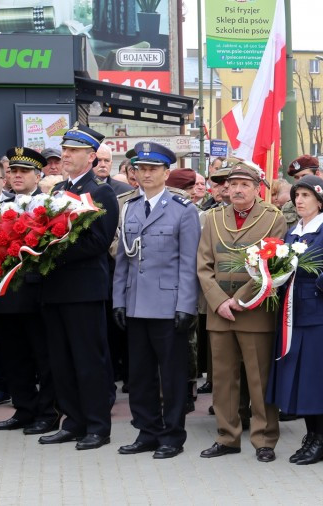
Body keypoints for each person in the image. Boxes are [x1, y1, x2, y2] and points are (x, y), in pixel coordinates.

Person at [112, 142, 200, 459]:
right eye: (141, 168)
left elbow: (189, 263)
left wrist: (186, 306)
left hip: (169, 305)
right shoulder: (130, 208)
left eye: (152, 168)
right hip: (136, 304)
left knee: (173, 376)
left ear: (166, 172)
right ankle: (146, 431)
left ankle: (172, 435)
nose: (146, 174)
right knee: (140, 374)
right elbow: (124, 259)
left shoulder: (183, 210)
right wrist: (118, 300)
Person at [196, 163, 288, 463]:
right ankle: (227, 436)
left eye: (243, 184)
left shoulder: (272, 218)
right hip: (219, 312)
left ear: (257, 187)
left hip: (254, 311)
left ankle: (264, 439)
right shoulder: (213, 217)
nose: (235, 189)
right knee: (223, 379)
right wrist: (219, 301)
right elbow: (204, 265)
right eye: (231, 183)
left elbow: (273, 263)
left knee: (259, 379)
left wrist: (239, 299)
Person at [266, 175, 323, 465]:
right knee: (300, 380)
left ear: (319, 201)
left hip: (316, 317)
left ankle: (320, 440)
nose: (300, 200)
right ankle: (311, 437)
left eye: (306, 195)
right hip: (292, 316)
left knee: (316, 380)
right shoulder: (292, 233)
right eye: (297, 195)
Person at [39, 124, 120, 450]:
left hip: (84, 291)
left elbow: (99, 242)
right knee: (61, 361)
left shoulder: (101, 193)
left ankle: (98, 427)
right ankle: (72, 421)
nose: (65, 155)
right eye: (64, 150)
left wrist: (50, 250)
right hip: (56, 289)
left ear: (90, 156)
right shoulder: (57, 191)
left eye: (72, 151)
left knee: (89, 361)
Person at [0, 148, 58, 434]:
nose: (17, 176)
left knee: (43, 356)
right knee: (13, 356)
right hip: (5, 295)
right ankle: (24, 408)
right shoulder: (0, 207)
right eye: (13, 172)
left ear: (38, 176)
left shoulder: (49, 206)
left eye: (24, 172)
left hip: (37, 293)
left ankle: (48, 412)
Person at [282, 156, 323, 229]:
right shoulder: (288, 207)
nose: (300, 180)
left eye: (304, 176)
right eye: (296, 177)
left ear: (317, 174)